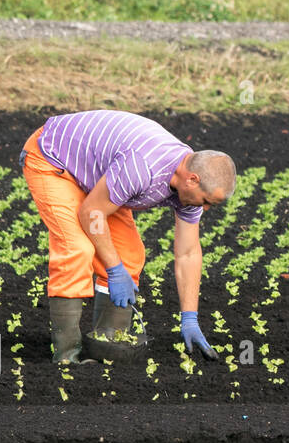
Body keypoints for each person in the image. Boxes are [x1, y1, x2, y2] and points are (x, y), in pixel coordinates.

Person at [18, 109, 235, 364]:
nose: (205, 208)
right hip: (54, 160)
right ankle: (67, 356)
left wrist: (190, 317)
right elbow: (93, 211)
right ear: (192, 179)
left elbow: (188, 252)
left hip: (97, 177)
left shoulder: (187, 185)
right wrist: (113, 269)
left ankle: (104, 345)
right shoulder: (144, 167)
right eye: (207, 201)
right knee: (77, 249)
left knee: (129, 256)